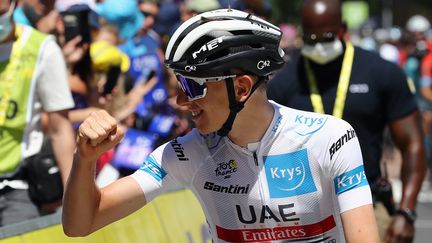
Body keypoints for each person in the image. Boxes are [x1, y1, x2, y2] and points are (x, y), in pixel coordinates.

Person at [62, 8, 380, 242]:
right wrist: (84, 159)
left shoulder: (330, 137)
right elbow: (80, 224)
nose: (181, 103)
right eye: (179, 86)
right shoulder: (186, 153)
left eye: (192, 87)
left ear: (241, 88)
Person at [267, 0, 426, 242]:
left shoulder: (381, 73)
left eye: (327, 36)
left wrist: (406, 211)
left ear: (342, 29)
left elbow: (413, 142)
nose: (319, 45)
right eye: (311, 39)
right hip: (303, 216)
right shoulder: (284, 83)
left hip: (368, 205)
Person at [0, 0, 75, 225]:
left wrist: (74, 196)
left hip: (18, 189)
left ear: (14, 5)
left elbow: (60, 129)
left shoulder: (42, 48)